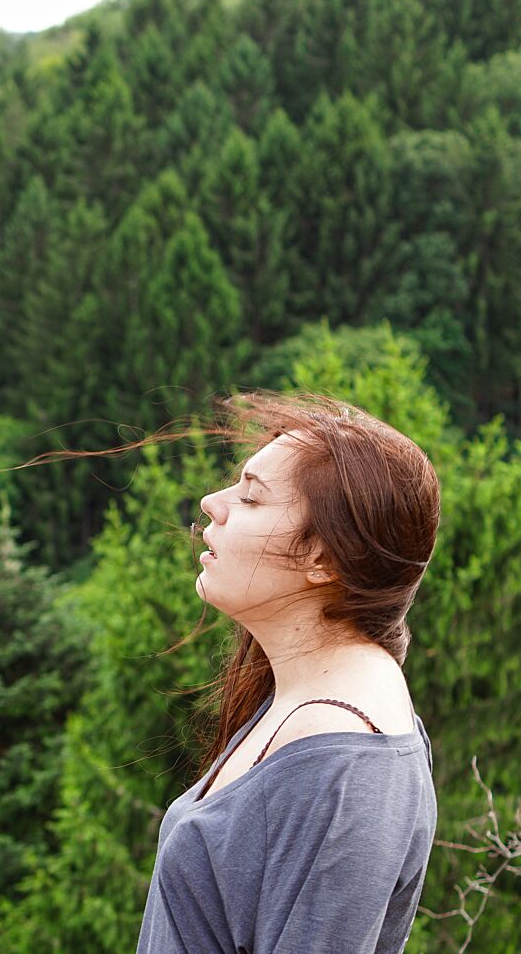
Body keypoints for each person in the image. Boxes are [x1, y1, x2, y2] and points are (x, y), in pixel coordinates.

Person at [133, 391, 441, 953]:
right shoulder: (308, 701)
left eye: (251, 499)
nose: (211, 503)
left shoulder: (341, 759)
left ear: (324, 559)